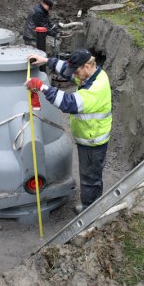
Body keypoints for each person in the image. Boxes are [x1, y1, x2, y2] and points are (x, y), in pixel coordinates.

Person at [25, 49, 112, 214]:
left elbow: (68, 103)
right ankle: (96, 205)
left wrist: (41, 87)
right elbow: (68, 71)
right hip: (90, 136)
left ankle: (89, 213)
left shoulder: (96, 88)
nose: (75, 76)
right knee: (93, 175)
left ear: (87, 65)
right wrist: (45, 60)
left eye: (77, 71)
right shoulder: (91, 74)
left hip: (93, 142)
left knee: (89, 178)